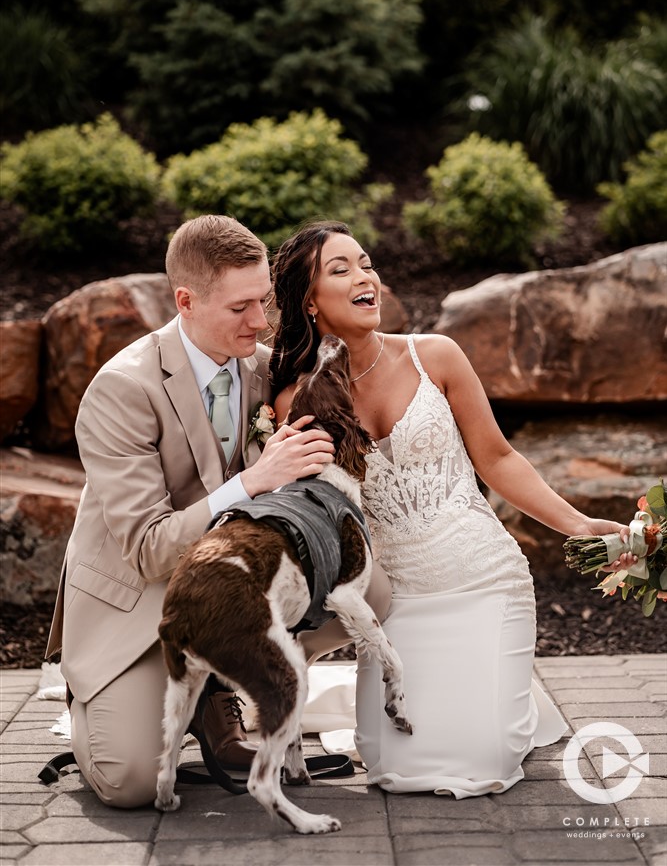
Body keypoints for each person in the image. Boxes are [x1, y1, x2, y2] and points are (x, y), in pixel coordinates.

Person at [269, 220, 637, 797]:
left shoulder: (435, 355)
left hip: (483, 579)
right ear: (310, 301)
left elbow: (498, 459)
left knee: (485, 762)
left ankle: (505, 697)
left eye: (366, 263)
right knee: (393, 767)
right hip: (396, 605)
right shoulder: (299, 398)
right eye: (340, 270)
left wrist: (578, 523)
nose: (364, 276)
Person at [45, 214, 390, 808]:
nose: (259, 323)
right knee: (127, 782)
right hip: (140, 601)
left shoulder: (262, 369)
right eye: (240, 308)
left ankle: (226, 682)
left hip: (233, 584)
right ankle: (98, 697)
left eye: (264, 303)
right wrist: (254, 482)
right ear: (186, 301)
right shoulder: (122, 389)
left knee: (371, 590)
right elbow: (151, 548)